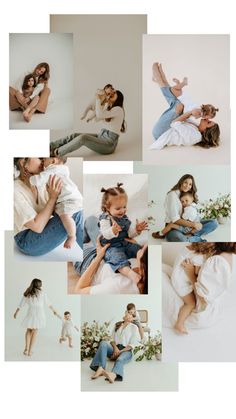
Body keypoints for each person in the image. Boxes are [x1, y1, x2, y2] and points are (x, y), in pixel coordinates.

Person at [14, 158, 83, 257]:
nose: (43, 160)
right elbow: (37, 227)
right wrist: (53, 197)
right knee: (74, 214)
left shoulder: (42, 183)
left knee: (74, 210)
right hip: (27, 240)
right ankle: (92, 259)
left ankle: (93, 255)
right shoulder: (14, 190)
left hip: (42, 232)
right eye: (40, 158)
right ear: (23, 161)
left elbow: (57, 209)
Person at [151, 62, 220, 149]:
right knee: (177, 103)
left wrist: (191, 112)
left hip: (161, 133)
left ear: (206, 131)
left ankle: (159, 80)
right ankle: (161, 79)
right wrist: (190, 112)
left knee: (179, 106)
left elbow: (175, 123)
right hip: (166, 129)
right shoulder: (197, 127)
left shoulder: (195, 137)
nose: (207, 119)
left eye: (208, 122)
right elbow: (184, 117)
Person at [74, 216, 148, 295]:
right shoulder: (147, 274)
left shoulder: (117, 287)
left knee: (75, 241)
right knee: (91, 220)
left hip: (90, 261)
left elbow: (79, 290)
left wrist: (99, 257)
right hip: (112, 250)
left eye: (144, 249)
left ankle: (84, 240)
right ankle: (86, 239)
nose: (142, 247)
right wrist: (133, 241)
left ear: (143, 268)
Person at [172, 242, 236, 333]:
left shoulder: (188, 249)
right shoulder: (201, 257)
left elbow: (204, 297)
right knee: (190, 304)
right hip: (181, 283)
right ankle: (179, 323)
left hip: (178, 278)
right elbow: (196, 272)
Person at [50, 88, 126, 156]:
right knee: (75, 135)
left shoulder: (118, 109)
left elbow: (99, 115)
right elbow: (95, 120)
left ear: (118, 98)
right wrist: (103, 102)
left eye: (114, 92)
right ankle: (51, 146)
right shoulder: (108, 108)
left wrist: (98, 99)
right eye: (111, 92)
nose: (112, 93)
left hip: (109, 144)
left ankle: (57, 152)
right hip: (101, 136)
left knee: (83, 138)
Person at [98, 183, 148, 284]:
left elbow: (129, 234)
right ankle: (131, 274)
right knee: (116, 257)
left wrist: (137, 230)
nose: (123, 211)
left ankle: (145, 266)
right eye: (118, 208)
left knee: (139, 249)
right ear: (107, 208)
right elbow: (105, 234)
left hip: (125, 242)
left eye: (124, 207)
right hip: (111, 246)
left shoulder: (124, 218)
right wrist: (112, 231)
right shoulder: (105, 219)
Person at [152, 174, 218, 242]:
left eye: (190, 184)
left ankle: (191, 234)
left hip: (190, 224)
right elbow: (175, 220)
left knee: (214, 223)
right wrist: (194, 225)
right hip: (175, 226)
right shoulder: (172, 195)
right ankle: (194, 237)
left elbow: (192, 211)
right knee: (179, 238)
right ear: (181, 182)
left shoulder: (187, 194)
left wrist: (196, 222)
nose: (187, 186)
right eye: (185, 182)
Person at [89, 312, 139, 383]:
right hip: (115, 348)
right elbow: (111, 339)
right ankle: (100, 368)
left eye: (131, 315)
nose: (128, 315)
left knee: (120, 359)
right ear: (124, 317)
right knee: (103, 343)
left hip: (126, 351)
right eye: (127, 314)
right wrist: (115, 348)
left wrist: (119, 352)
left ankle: (113, 374)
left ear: (132, 319)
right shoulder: (117, 325)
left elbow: (132, 345)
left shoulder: (134, 327)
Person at [13, 278, 58, 357]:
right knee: (35, 332)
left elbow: (21, 303)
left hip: (31, 312)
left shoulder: (28, 292)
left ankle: (26, 349)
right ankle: (30, 351)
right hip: (39, 313)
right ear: (39, 285)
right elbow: (48, 303)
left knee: (29, 330)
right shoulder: (42, 293)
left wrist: (16, 312)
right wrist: (54, 310)